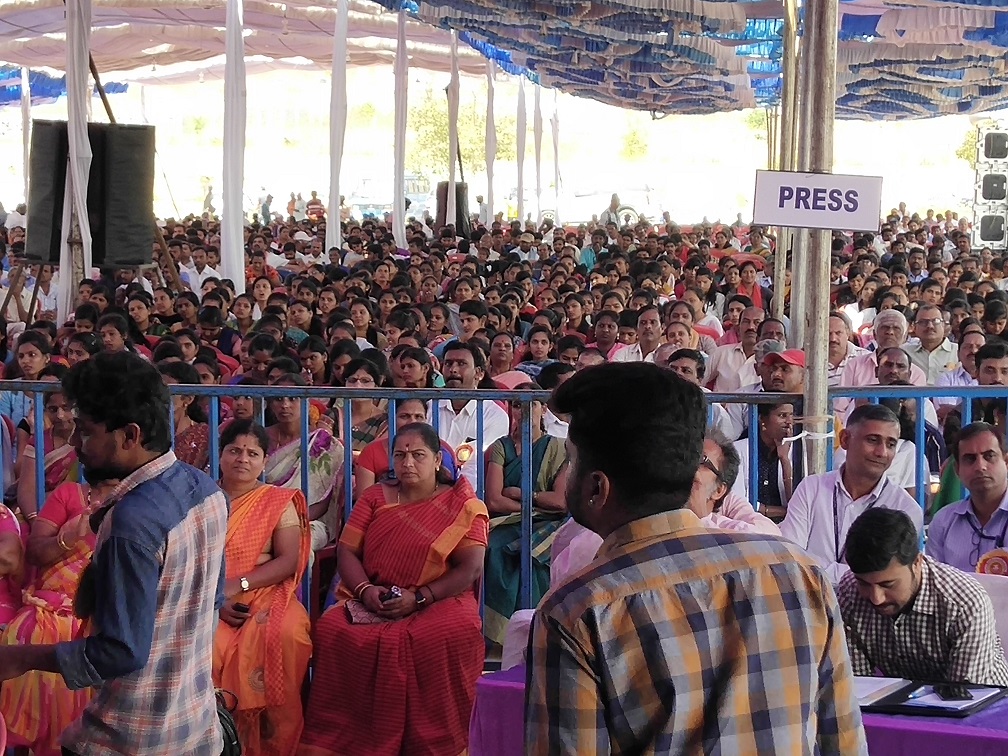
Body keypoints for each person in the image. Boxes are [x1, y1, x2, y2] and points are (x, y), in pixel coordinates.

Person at [525, 363, 866, 754]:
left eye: (572, 460)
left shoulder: (578, 610)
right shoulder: (799, 571)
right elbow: (844, 741)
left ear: (596, 487)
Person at [0, 351, 228, 754]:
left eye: (86, 431)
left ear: (130, 435)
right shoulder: (205, 489)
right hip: (195, 726)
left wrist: (22, 659)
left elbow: (121, 651)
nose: (74, 442)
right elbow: (212, 601)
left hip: (129, 738)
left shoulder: (131, 523)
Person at [299, 423, 489, 756]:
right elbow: (347, 550)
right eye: (400, 456)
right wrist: (364, 590)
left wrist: (421, 597)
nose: (408, 463)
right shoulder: (375, 497)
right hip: (376, 593)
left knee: (446, 635)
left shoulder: (463, 503)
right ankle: (341, 745)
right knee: (332, 628)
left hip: (440, 596)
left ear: (437, 460)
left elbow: (470, 567)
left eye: (418, 455)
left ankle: (440, 745)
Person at [0, 472, 119, 756]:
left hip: (96, 612)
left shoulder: (137, 503)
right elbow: (35, 553)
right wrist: (69, 537)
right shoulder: (68, 495)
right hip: (45, 606)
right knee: (31, 632)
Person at [214, 420, 312, 756]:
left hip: (266, 591)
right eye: (235, 450)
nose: (243, 458)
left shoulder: (276, 500)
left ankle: (273, 744)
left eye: (252, 453)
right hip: (209, 597)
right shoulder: (202, 501)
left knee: (287, 633)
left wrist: (238, 585)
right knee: (209, 647)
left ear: (264, 461)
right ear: (221, 455)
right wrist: (216, 599)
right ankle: (219, 741)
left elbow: (288, 560)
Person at [840, 508, 1008, 686]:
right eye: (864, 584)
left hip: (986, 698)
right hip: (904, 697)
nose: (876, 598)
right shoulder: (849, 590)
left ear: (917, 562)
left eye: (888, 585)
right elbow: (856, 683)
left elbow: (965, 694)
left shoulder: (964, 603)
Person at [780, 404, 924, 584]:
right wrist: (854, 575)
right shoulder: (811, 488)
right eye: (873, 440)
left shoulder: (905, 509)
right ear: (845, 439)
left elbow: (885, 576)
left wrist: (818, 569)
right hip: (809, 597)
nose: (882, 452)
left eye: (891, 444)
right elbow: (789, 559)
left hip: (866, 600)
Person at [482, 382, 568, 650]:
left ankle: (537, 632)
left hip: (550, 522)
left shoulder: (559, 447)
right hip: (507, 520)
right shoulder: (502, 447)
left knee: (536, 555)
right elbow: (494, 499)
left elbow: (560, 501)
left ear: (544, 409)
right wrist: (536, 505)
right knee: (494, 548)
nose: (525, 410)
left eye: (533, 403)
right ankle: (499, 636)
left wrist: (523, 494)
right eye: (518, 405)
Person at [265, 373, 342, 549]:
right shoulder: (259, 438)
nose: (285, 405)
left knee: (296, 545)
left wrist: (288, 522)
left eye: (293, 398)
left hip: (309, 519)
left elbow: (323, 501)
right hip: (260, 516)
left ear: (306, 402)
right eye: (279, 399)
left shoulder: (323, 443)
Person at [928, 422, 1008, 572]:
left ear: (1006, 462)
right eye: (970, 459)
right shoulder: (943, 522)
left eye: (989, 456)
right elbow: (935, 582)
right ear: (957, 470)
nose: (980, 466)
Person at [430, 341, 509, 488]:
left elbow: (476, 468)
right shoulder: (429, 407)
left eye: (461, 364)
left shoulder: (494, 416)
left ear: (479, 373)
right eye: (448, 364)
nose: (453, 369)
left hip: (470, 493)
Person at [158, 361, 211, 470]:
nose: (159, 397)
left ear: (188, 399)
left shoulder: (205, 435)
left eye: (167, 392)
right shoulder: (148, 431)